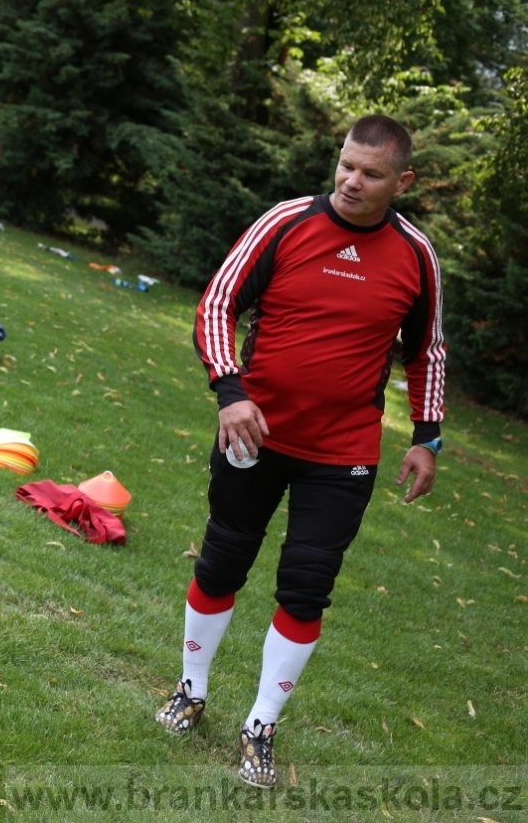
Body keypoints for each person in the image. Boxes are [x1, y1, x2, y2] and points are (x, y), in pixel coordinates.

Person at [155, 114, 446, 789]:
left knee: (307, 585)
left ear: (402, 181)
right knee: (224, 559)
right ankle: (191, 689)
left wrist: (427, 437)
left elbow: (427, 350)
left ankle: (260, 725)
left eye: (371, 174)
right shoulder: (286, 222)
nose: (351, 181)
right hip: (251, 434)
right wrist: (231, 393)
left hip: (343, 450)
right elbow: (218, 303)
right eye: (346, 165)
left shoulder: (415, 254)